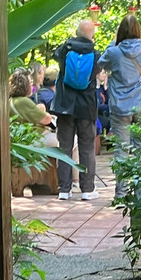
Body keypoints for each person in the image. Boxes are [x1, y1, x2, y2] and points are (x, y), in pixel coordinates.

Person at [99, 14, 141, 196]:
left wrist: (113, 42)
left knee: (121, 150)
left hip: (120, 106)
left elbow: (101, 62)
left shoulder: (114, 52)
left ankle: (121, 193)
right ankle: (140, 192)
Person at [52, 19, 101, 200]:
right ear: (92, 35)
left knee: (64, 147)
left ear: (77, 32)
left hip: (65, 106)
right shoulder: (96, 55)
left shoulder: (65, 50)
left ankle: (64, 190)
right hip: (86, 107)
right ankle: (87, 190)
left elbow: (55, 56)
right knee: (86, 148)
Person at [8, 67, 58, 147]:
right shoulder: (23, 101)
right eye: (30, 82)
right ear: (25, 85)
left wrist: (38, 109)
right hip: (33, 138)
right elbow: (47, 119)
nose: (32, 84)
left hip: (23, 138)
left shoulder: (11, 100)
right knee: (71, 141)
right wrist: (44, 112)